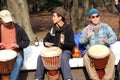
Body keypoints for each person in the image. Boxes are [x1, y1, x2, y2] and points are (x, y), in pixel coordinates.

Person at [35, 7, 75, 80]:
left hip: (65, 50)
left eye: (54, 16)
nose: (52, 18)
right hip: (54, 51)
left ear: (60, 17)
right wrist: (45, 43)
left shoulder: (68, 28)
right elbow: (46, 39)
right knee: (40, 57)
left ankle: (68, 78)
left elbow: (72, 44)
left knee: (63, 58)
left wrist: (63, 43)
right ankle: (38, 78)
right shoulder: (53, 28)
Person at [79, 8, 117, 80]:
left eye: (97, 16)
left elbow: (114, 36)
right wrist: (87, 37)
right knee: (86, 59)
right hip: (91, 50)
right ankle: (95, 78)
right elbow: (80, 41)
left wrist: (108, 41)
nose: (95, 18)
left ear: (99, 17)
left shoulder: (105, 27)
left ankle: (107, 78)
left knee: (112, 57)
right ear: (90, 19)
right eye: (93, 17)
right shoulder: (86, 29)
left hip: (104, 49)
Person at [0, 10, 30, 80]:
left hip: (16, 54)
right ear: (1, 20)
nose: (8, 23)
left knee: (19, 61)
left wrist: (18, 45)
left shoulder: (18, 28)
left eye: (9, 21)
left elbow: (27, 41)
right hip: (2, 54)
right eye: (6, 22)